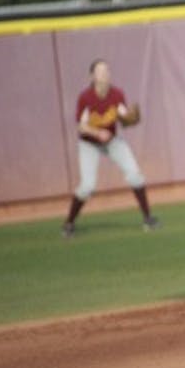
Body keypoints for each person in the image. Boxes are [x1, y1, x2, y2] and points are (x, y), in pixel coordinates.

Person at [62, 59, 159, 237]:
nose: (105, 74)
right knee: (87, 186)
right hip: (89, 144)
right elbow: (80, 126)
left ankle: (148, 218)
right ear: (92, 76)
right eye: (100, 71)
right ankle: (69, 223)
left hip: (113, 140)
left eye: (107, 70)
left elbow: (124, 117)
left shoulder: (116, 94)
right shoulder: (86, 97)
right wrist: (97, 132)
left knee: (135, 174)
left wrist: (131, 119)